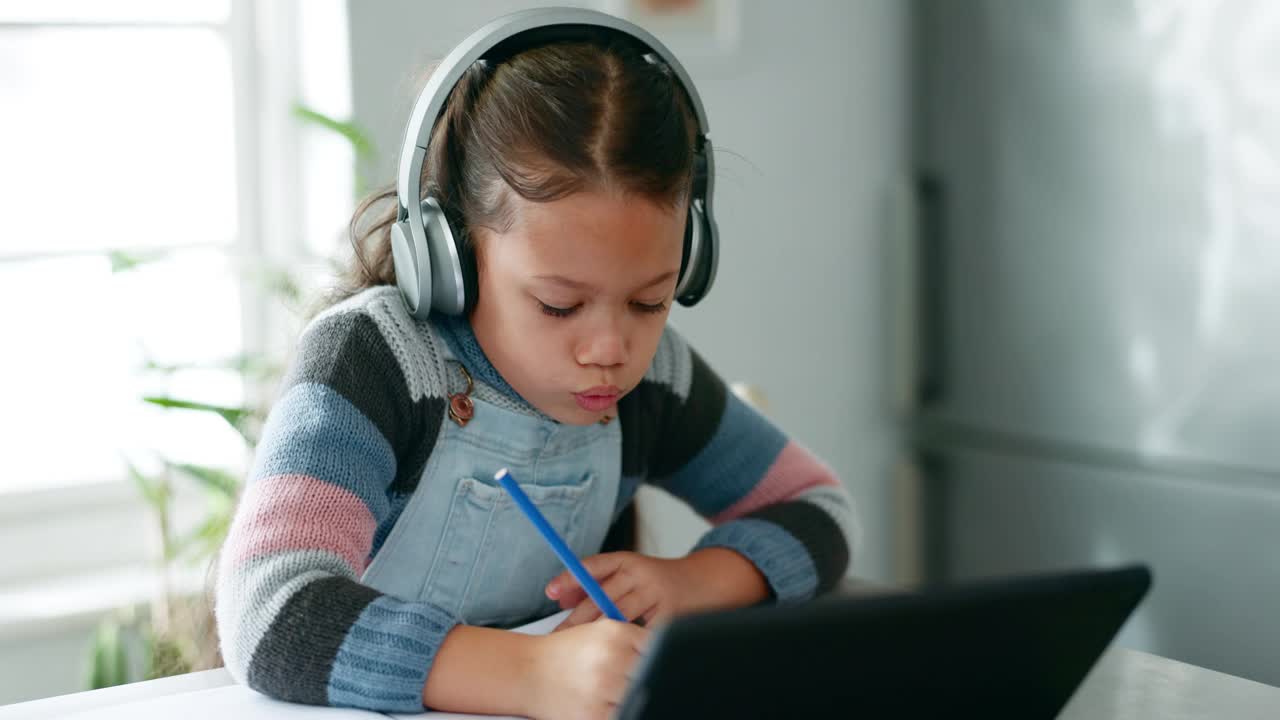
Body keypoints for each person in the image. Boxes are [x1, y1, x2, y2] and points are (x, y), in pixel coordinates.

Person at [214, 9, 858, 720]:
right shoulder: (374, 363)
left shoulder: (657, 384)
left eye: (650, 301)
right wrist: (530, 673)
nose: (610, 349)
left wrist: (695, 581)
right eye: (558, 305)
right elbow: (273, 610)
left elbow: (818, 511)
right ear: (453, 255)